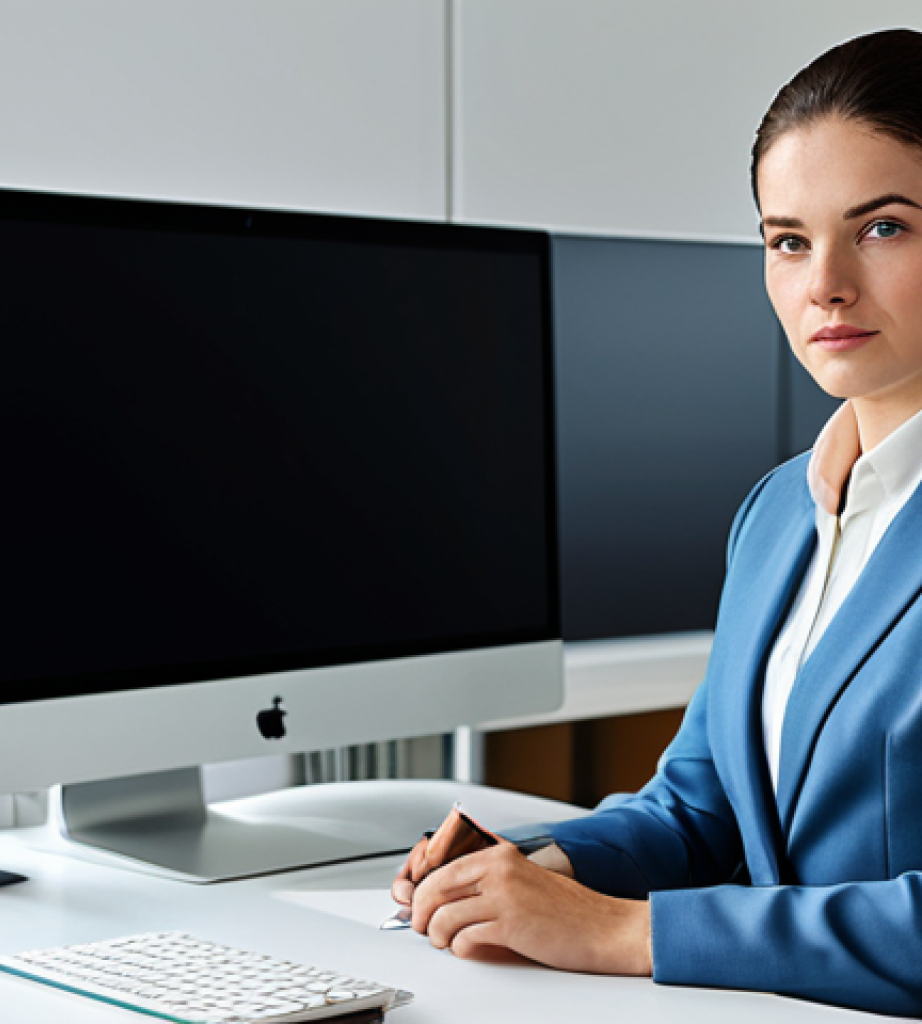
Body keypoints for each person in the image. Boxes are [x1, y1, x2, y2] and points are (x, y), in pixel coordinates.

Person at [391, 27, 922, 1017]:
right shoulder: (776, 514)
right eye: (788, 241)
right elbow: (701, 805)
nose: (823, 286)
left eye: (882, 227)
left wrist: (625, 932)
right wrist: (537, 865)